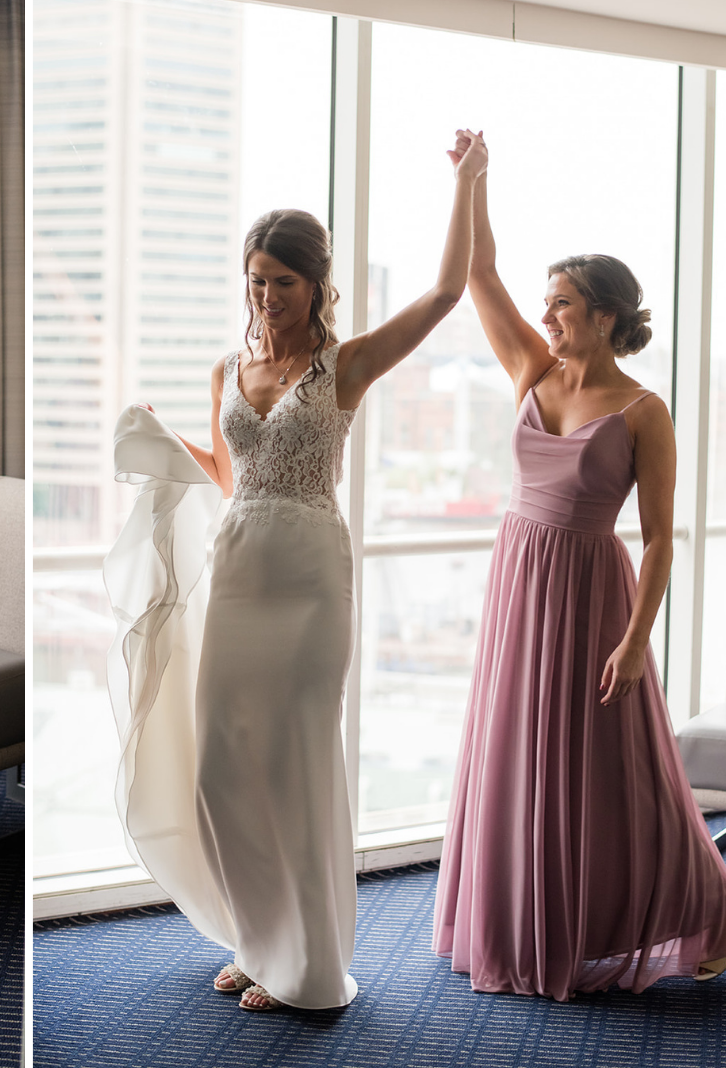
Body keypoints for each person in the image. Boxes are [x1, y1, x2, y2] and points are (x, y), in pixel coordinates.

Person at [105, 133, 487, 1012]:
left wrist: (469, 183)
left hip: (311, 578)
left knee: (292, 764)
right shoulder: (227, 371)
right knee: (222, 769)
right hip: (240, 567)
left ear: (316, 285)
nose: (266, 296)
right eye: (255, 280)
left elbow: (444, 293)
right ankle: (257, 935)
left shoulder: (343, 365)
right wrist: (166, 445)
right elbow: (233, 477)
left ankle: (304, 961)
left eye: (283, 280)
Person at [433, 131, 726, 1000]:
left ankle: (704, 909)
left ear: (606, 316)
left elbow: (659, 538)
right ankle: (544, 918)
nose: (548, 317)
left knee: (619, 769)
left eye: (565, 303)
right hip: (520, 583)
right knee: (522, 756)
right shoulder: (531, 370)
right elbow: (479, 275)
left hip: (594, 597)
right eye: (548, 303)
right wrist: (474, 182)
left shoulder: (645, 413)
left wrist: (635, 638)